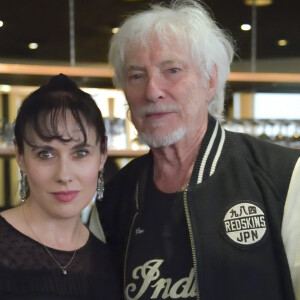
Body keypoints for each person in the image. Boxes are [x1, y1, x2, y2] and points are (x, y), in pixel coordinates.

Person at [90, 0, 300, 299]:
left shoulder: (286, 177)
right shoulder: (112, 199)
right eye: (137, 76)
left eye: (172, 70)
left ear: (210, 80)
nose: (152, 91)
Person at [0, 74, 120, 299]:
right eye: (45, 154)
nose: (64, 175)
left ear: (103, 154)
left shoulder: (109, 258)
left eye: (80, 153)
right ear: (20, 155)